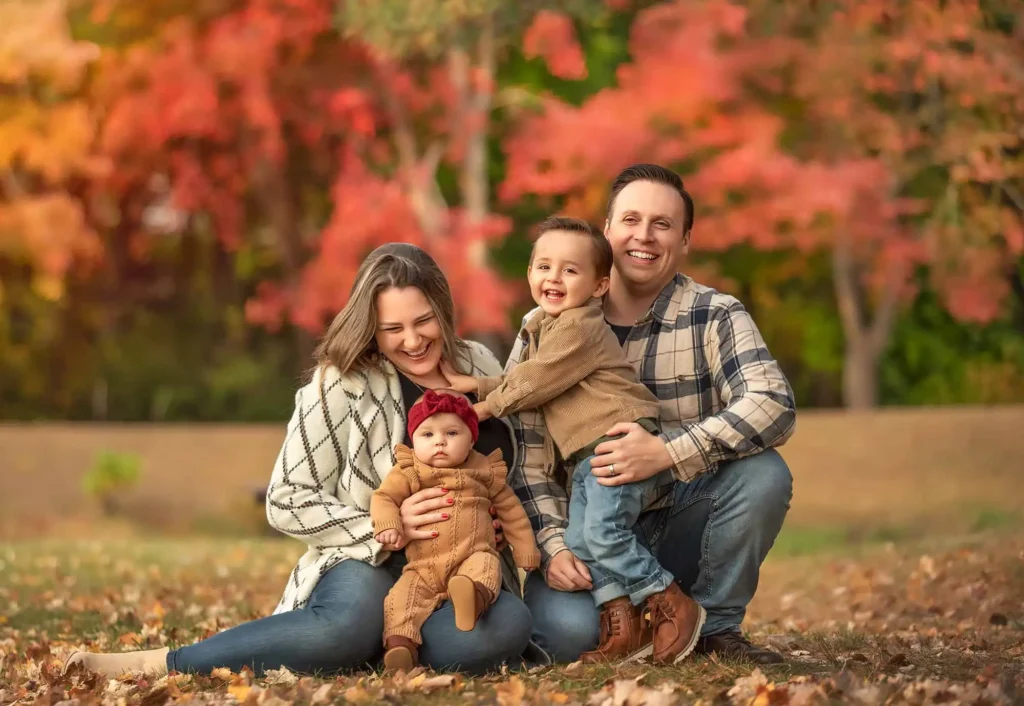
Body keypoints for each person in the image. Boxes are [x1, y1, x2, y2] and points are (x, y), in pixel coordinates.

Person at [63, 243, 534, 678]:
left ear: (443, 311)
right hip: (370, 560)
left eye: (423, 321)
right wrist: (387, 526)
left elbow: (516, 464)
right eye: (393, 329)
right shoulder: (342, 383)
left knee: (503, 628)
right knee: (343, 627)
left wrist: (495, 521)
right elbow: (286, 498)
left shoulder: (480, 365)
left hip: (464, 564)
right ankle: (165, 662)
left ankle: (391, 640)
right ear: (371, 328)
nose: (412, 340)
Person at [516, 164, 797, 666]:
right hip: (588, 532)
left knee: (764, 475)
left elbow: (772, 403)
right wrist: (555, 545)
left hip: (683, 520)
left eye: (662, 225)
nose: (643, 236)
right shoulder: (543, 325)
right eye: (630, 220)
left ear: (684, 240)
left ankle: (714, 627)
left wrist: (666, 452)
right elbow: (528, 458)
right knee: (565, 638)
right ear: (607, 230)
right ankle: (634, 620)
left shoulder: (714, 314)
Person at [445, 217, 704, 665]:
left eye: (570, 270)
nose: (554, 278)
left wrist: (483, 408)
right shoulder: (543, 328)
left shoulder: (579, 325)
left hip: (617, 441)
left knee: (603, 532)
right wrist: (480, 385)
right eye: (544, 267)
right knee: (582, 540)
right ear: (529, 273)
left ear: (600, 285)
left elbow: (539, 378)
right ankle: (622, 622)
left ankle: (669, 599)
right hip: (586, 455)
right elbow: (530, 375)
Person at [371, 389, 540, 672]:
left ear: (471, 439)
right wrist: (389, 523)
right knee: (401, 599)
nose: (439, 442)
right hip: (422, 566)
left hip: (471, 555)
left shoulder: (484, 470)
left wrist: (525, 550)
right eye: (427, 434)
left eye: (451, 433)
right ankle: (401, 647)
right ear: (413, 440)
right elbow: (383, 497)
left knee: (486, 566)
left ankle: (473, 600)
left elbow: (512, 512)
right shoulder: (409, 470)